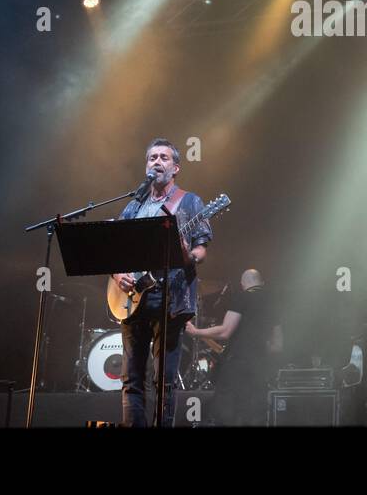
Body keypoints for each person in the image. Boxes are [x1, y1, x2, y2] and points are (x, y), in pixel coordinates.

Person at [110, 138, 212, 427]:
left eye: (164, 158)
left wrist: (184, 251)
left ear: (175, 167)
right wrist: (119, 276)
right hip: (133, 300)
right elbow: (113, 250)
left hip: (169, 297)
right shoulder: (134, 205)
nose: (157, 161)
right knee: (131, 379)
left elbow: (201, 251)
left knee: (164, 379)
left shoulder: (189, 201)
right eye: (152, 157)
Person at [187, 268, 282, 426]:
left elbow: (225, 331)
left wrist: (196, 332)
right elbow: (278, 346)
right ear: (262, 283)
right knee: (253, 417)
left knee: (226, 416)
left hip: (238, 366)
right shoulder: (273, 304)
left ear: (243, 283)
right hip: (260, 368)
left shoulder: (242, 296)